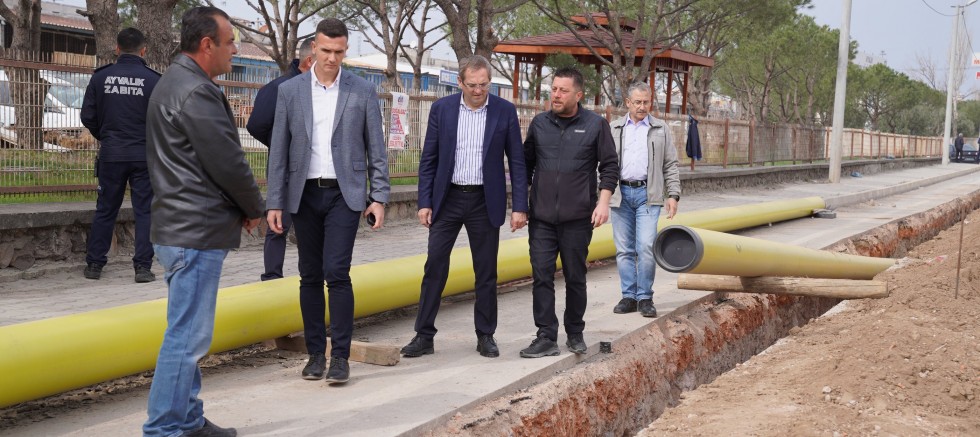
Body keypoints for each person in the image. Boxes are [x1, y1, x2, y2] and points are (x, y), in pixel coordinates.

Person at [142, 6, 264, 437]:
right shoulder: (195, 91)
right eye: (230, 42)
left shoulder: (175, 82)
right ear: (207, 44)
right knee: (187, 338)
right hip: (194, 230)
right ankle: (165, 429)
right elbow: (227, 162)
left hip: (182, 226)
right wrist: (254, 207)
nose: (235, 50)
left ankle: (187, 420)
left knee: (188, 334)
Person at [266, 18, 389, 385]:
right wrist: (275, 202)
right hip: (303, 195)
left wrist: (379, 196)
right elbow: (279, 152)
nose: (332, 58)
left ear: (345, 50)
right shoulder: (290, 91)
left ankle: (341, 357)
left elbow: (376, 149)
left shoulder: (362, 90)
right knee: (309, 274)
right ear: (313, 50)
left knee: (336, 272)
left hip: (344, 195)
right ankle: (315, 355)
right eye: (326, 51)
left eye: (338, 51)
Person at [399, 55, 528, 359]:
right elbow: (429, 159)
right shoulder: (442, 109)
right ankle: (424, 335)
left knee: (486, 271)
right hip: (448, 200)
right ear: (460, 82)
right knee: (435, 266)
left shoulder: (504, 111)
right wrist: (424, 201)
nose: (478, 90)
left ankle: (485, 335)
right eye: (472, 85)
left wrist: (520, 206)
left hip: (485, 200)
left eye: (484, 85)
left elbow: (517, 162)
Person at [520, 66, 619, 358]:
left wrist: (603, 202)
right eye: (554, 89)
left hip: (577, 218)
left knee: (575, 276)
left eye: (563, 90)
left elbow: (610, 167)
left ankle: (575, 333)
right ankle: (545, 336)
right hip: (541, 218)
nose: (556, 95)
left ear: (578, 94)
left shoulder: (595, 125)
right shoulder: (539, 124)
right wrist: (520, 207)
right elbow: (524, 166)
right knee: (541, 275)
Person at [80, 27, 160, 283]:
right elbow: (164, 120)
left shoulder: (100, 77)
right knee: (145, 212)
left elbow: (87, 116)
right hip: (143, 156)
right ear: (143, 50)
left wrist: (106, 136)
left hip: (111, 154)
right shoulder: (154, 80)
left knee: (106, 209)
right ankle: (143, 268)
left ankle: (94, 264)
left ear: (117, 49)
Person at [609, 82, 681, 318]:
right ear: (628, 102)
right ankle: (628, 296)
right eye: (637, 102)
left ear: (651, 102)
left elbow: (670, 164)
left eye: (646, 102)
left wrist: (673, 195)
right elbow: (604, 164)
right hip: (620, 194)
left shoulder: (660, 129)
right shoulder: (614, 128)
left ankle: (645, 297)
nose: (642, 106)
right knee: (624, 249)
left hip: (648, 196)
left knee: (646, 247)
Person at [246, 37, 314, 281]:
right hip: (285, 171)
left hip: (315, 173)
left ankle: (311, 278)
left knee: (311, 231)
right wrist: (282, 147)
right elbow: (256, 125)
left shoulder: (322, 90)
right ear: (309, 61)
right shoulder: (279, 88)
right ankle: (272, 278)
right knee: (278, 226)